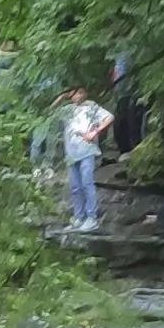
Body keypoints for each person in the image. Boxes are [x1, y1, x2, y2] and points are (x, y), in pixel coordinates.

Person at [59, 86, 115, 230]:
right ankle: (79, 216)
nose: (78, 96)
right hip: (71, 153)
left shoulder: (92, 107)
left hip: (87, 151)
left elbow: (109, 117)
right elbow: (49, 113)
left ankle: (92, 217)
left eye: (81, 93)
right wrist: (62, 97)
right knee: (75, 187)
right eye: (75, 93)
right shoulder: (67, 110)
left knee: (86, 183)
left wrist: (95, 132)